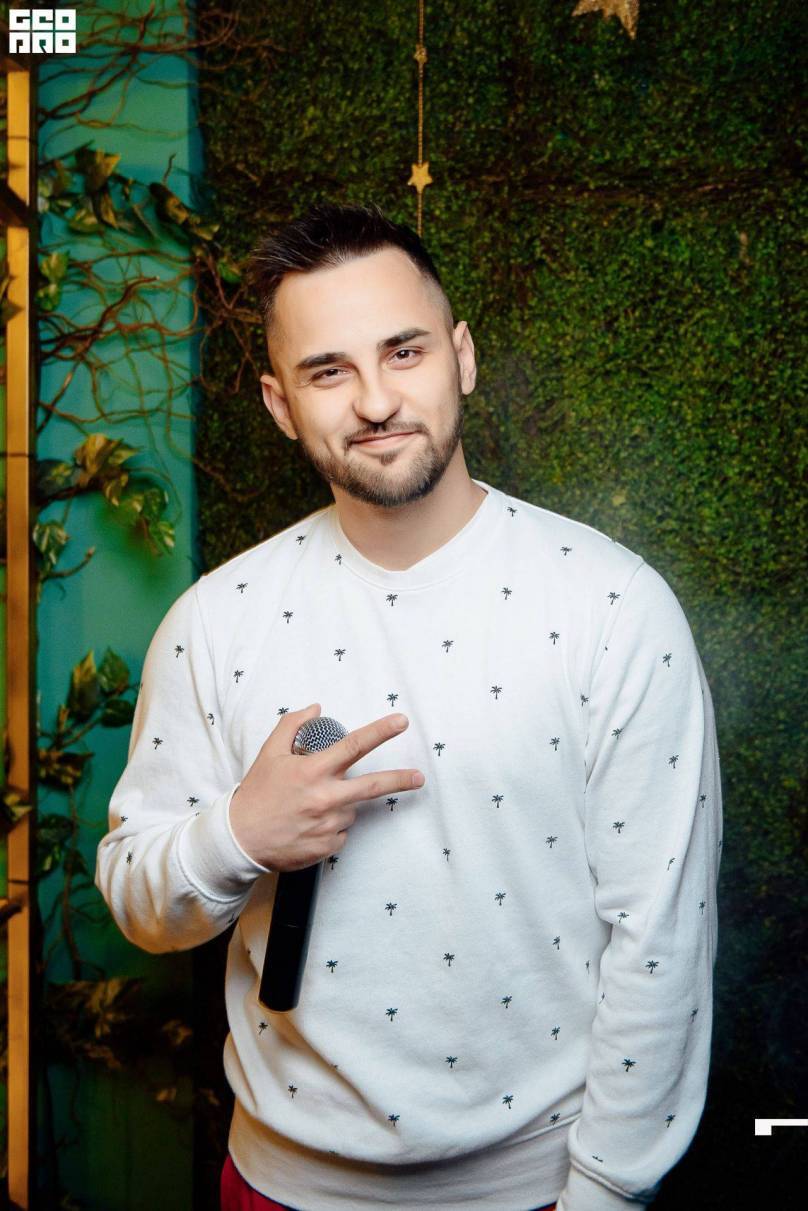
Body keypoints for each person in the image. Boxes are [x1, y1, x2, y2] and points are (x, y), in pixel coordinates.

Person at [95, 201, 723, 1211]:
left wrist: (607, 1191)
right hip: (278, 1184)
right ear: (279, 404)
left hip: (541, 1188)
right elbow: (137, 899)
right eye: (327, 371)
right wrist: (238, 832)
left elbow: (660, 937)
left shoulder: (611, 605)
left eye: (404, 350)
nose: (377, 399)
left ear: (461, 357)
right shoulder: (215, 620)